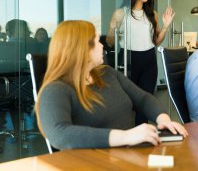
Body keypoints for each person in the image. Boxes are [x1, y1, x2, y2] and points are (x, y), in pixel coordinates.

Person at [35, 20, 187, 150]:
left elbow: (143, 99)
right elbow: (59, 134)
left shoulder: (107, 73)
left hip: (129, 154)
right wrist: (125, 137)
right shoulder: (55, 90)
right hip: (95, 162)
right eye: (96, 41)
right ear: (81, 49)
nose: (102, 46)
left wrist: (163, 120)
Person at [106, 0, 175, 125]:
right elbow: (110, 42)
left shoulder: (152, 14)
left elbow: (156, 41)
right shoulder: (120, 13)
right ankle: (128, 134)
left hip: (149, 60)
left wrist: (165, 26)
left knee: (146, 100)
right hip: (128, 59)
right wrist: (112, 28)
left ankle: (142, 133)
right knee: (128, 101)